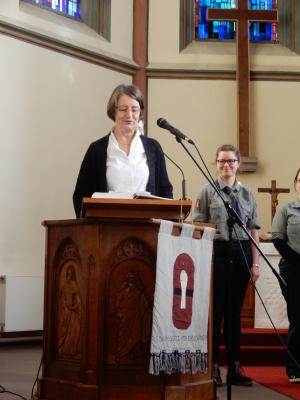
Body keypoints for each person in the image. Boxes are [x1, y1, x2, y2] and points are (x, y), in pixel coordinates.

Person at [193, 144, 260, 387]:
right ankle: (213, 368)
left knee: (234, 315)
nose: (226, 165)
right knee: (217, 313)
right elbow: (198, 228)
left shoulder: (247, 195)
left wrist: (255, 264)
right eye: (221, 161)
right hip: (217, 252)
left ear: (238, 164)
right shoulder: (208, 192)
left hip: (241, 252)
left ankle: (234, 367)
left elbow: (253, 231)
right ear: (216, 164)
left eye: (231, 161)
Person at [73, 84, 173, 217]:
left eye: (134, 109)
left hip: (148, 229)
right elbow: (80, 195)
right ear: (113, 111)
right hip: (107, 228)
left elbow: (165, 191)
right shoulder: (97, 150)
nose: (129, 115)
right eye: (123, 109)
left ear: (140, 113)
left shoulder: (153, 148)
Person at [272, 168, 300, 383]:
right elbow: (278, 240)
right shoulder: (286, 210)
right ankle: (294, 367)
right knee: (297, 318)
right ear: (295, 184)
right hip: (293, 269)